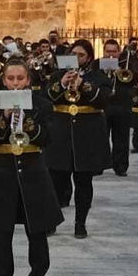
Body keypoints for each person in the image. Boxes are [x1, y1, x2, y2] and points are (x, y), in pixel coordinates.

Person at [0, 56, 62, 276]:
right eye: (11, 78)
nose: (15, 83)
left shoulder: (42, 105)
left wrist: (26, 119)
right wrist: (5, 117)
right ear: (3, 80)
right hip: (3, 170)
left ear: (28, 80)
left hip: (33, 168)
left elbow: (48, 138)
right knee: (2, 231)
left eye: (20, 78)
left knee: (36, 230)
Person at [44, 37, 110, 239]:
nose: (77, 58)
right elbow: (46, 98)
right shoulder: (58, 74)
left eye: (81, 55)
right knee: (56, 181)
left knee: (83, 182)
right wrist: (62, 84)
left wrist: (84, 85)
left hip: (87, 134)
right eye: (73, 54)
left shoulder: (97, 76)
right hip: (61, 133)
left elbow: (104, 100)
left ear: (88, 57)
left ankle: (80, 223)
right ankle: (52, 221)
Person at [102, 39, 134, 176]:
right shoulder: (98, 64)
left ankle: (121, 167)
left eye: (114, 52)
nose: (111, 55)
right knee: (101, 138)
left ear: (119, 52)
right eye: (108, 51)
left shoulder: (127, 64)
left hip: (122, 106)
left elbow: (134, 79)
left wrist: (119, 72)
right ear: (103, 52)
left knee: (121, 139)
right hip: (103, 106)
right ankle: (100, 165)